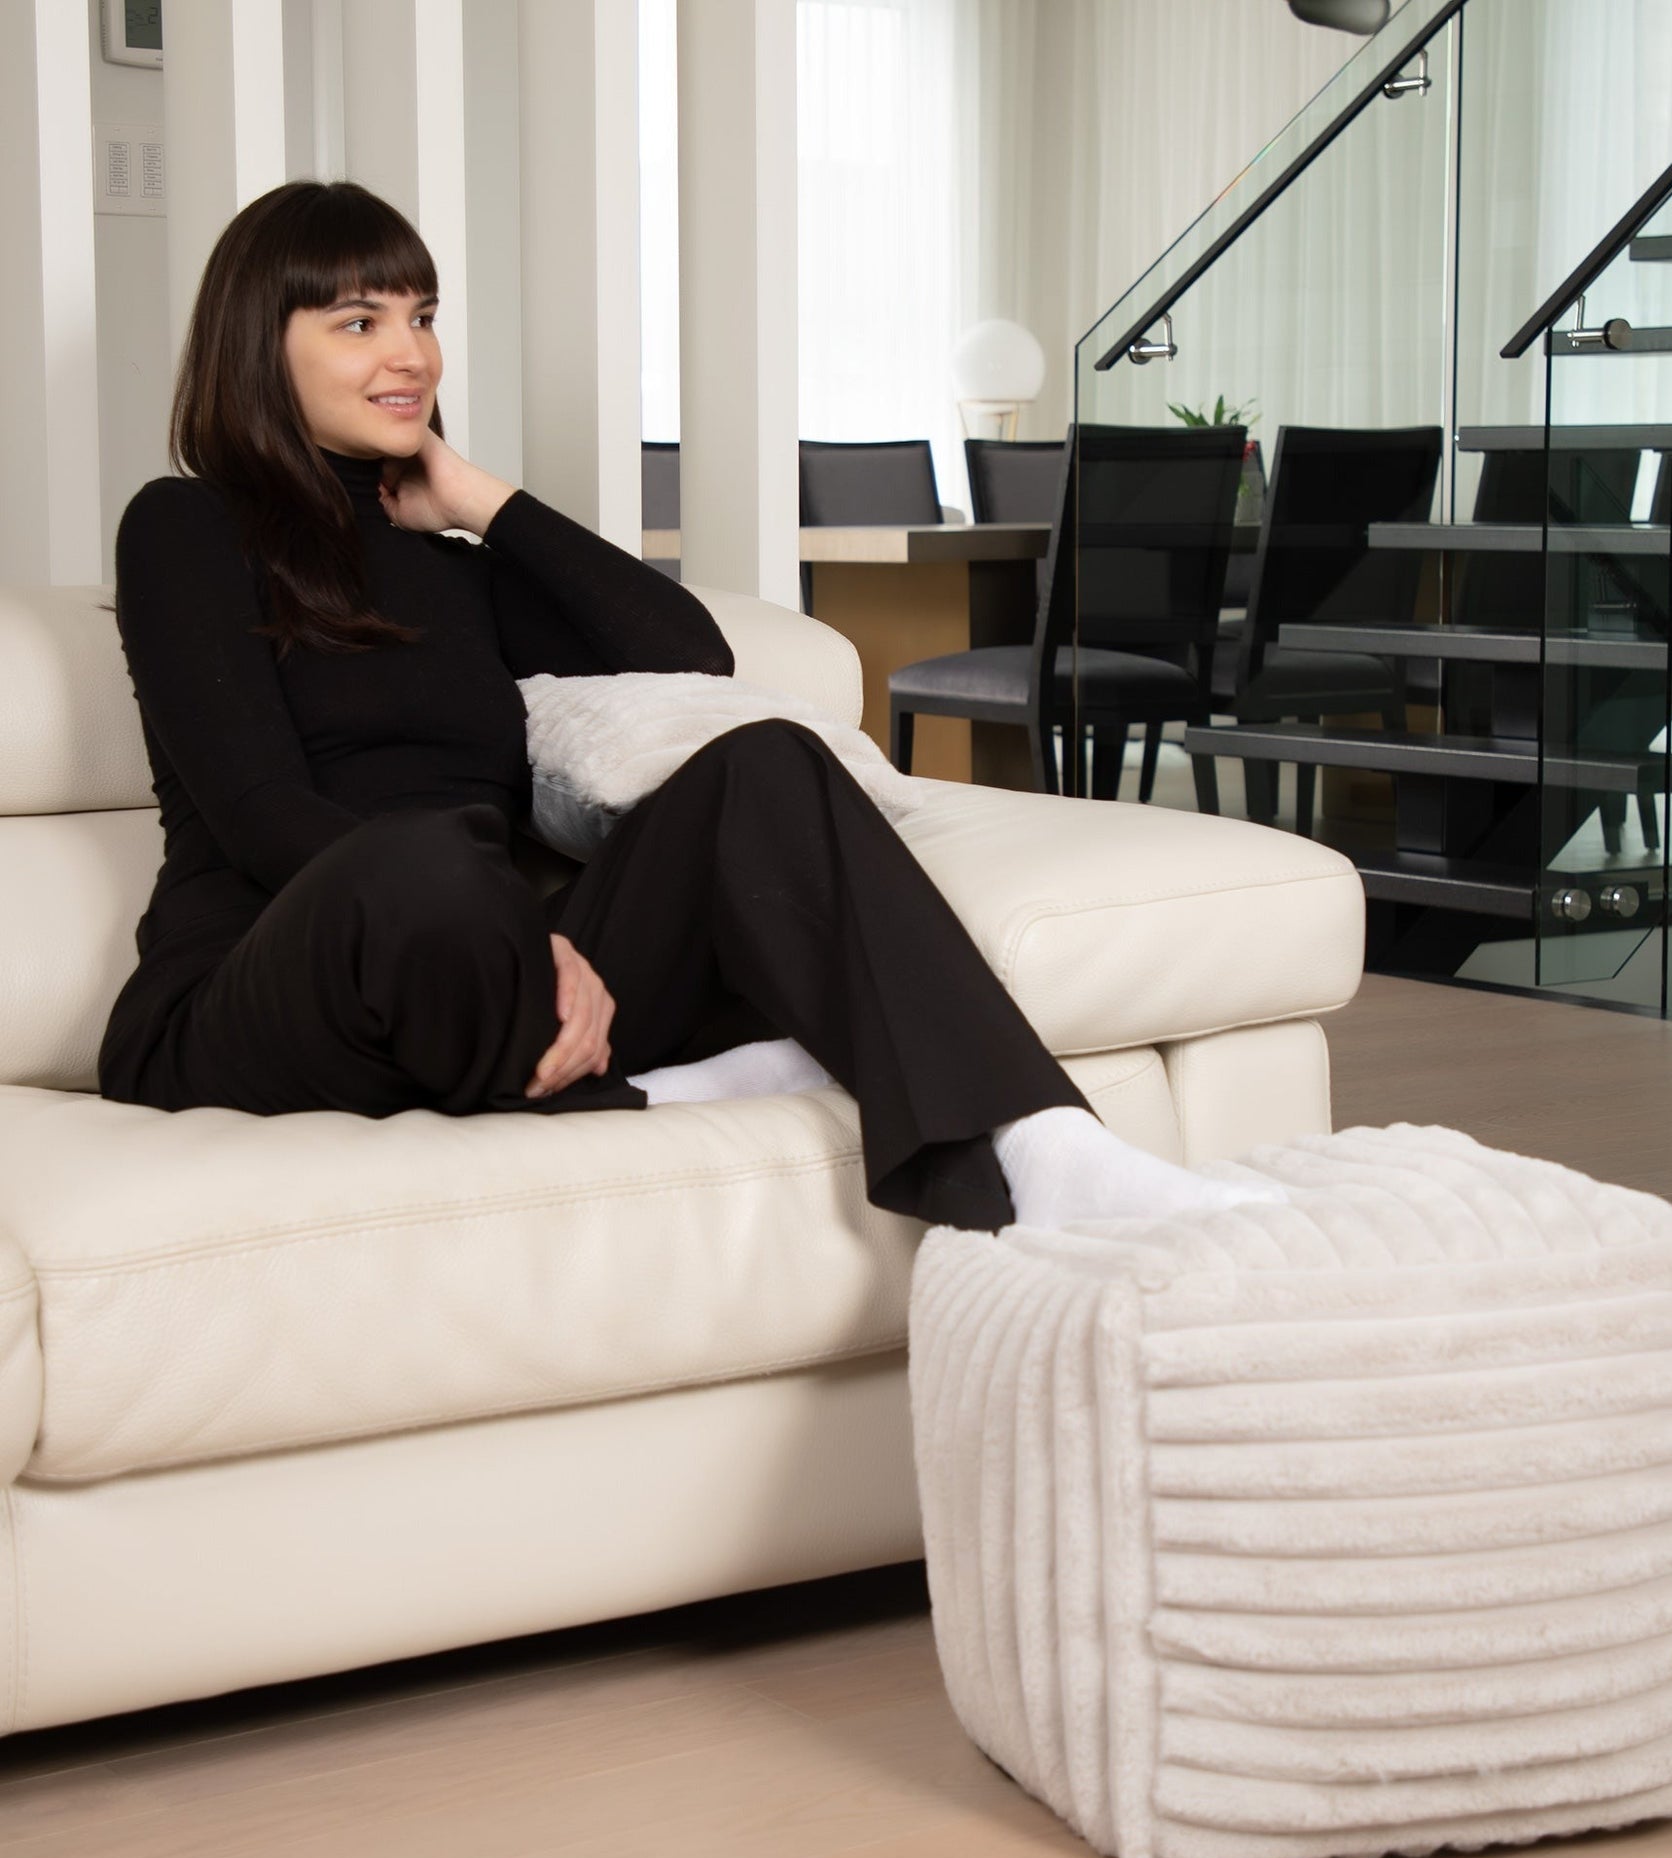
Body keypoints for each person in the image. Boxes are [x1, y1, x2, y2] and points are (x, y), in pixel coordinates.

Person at [101, 179, 1268, 1232]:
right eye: (359, 321)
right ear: (262, 345)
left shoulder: (452, 568)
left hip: (502, 972)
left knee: (765, 762)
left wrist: (482, 500)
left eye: (421, 314)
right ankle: (664, 1085)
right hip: (261, 980)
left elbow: (690, 653)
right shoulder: (185, 527)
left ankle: (1045, 1147)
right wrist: (529, 934)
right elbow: (258, 813)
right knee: (425, 862)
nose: (409, 352)